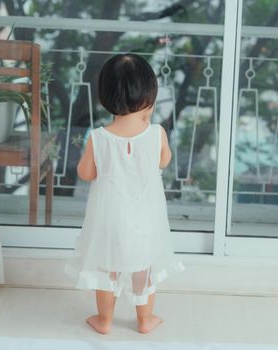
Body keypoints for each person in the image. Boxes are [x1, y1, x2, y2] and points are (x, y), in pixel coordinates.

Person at [65, 53, 184, 335]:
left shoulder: (99, 137)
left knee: (109, 269)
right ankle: (145, 319)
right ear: (149, 97)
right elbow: (164, 161)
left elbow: (85, 173)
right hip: (146, 220)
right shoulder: (157, 133)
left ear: (106, 95)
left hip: (110, 219)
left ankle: (104, 320)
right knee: (144, 268)